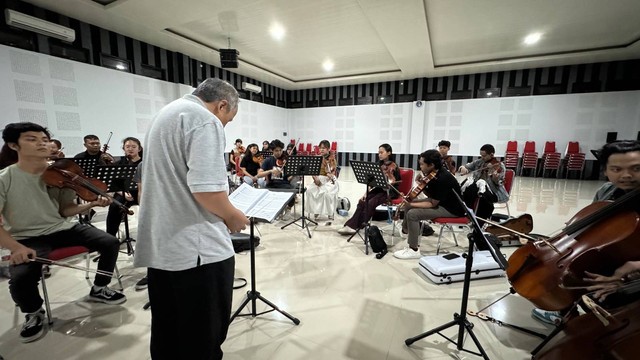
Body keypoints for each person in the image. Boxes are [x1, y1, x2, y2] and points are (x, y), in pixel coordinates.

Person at [134, 78, 249, 360]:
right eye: (227, 119)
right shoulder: (204, 120)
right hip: (197, 250)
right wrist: (233, 216)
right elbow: (207, 190)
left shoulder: (168, 113)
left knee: (168, 332)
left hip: (164, 244)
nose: (223, 126)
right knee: (202, 337)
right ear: (221, 105)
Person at [0, 122, 126, 343]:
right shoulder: (5, 178)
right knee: (20, 277)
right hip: (25, 237)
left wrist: (91, 204)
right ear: (13, 145)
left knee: (110, 242)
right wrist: (15, 247)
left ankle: (99, 287)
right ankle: (34, 311)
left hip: (61, 227)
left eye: (45, 139)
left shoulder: (60, 173)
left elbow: (65, 210)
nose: (42, 143)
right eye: (32, 139)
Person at [532, 140, 640, 325]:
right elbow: (592, 231)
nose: (626, 175)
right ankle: (565, 312)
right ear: (605, 171)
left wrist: (634, 267)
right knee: (564, 275)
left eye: (636, 168)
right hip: (610, 255)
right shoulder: (606, 191)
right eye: (616, 169)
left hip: (633, 272)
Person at [393, 150, 466, 259]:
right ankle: (406, 231)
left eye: (422, 164)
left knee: (413, 214)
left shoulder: (442, 178)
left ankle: (414, 250)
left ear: (431, 165)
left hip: (452, 209)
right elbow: (432, 194)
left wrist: (412, 203)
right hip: (442, 203)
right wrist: (421, 184)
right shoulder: (434, 173)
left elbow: (432, 203)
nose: (420, 166)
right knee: (408, 205)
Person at [338, 144, 401, 235]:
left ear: (389, 153)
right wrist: (365, 193)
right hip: (379, 190)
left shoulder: (394, 166)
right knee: (362, 201)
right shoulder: (379, 165)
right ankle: (352, 225)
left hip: (389, 192)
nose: (379, 154)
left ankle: (358, 226)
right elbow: (372, 181)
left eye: (381, 152)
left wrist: (388, 183)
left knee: (371, 202)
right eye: (378, 152)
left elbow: (395, 184)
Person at [458, 144, 508, 224]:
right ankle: (467, 215)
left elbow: (500, 183)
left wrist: (495, 178)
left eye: (484, 156)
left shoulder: (499, 165)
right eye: (481, 155)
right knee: (466, 189)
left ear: (491, 154)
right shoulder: (479, 162)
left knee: (478, 195)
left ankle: (479, 221)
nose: (482, 158)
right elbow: (466, 166)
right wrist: (463, 168)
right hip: (477, 189)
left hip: (493, 192)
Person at [105, 137, 142, 237]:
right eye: (127, 147)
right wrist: (123, 193)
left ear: (139, 149)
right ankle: (110, 237)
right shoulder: (119, 164)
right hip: (124, 193)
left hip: (143, 192)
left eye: (134, 146)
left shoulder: (145, 163)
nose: (130, 149)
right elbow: (114, 185)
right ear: (124, 148)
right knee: (114, 206)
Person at [257, 139, 296, 217]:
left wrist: (293, 175)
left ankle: (288, 209)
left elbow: (291, 175)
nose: (279, 152)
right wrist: (270, 171)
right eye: (276, 150)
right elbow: (259, 174)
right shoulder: (268, 160)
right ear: (272, 150)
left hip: (284, 184)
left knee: (292, 193)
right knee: (264, 194)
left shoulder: (286, 160)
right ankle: (274, 210)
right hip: (272, 184)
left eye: (281, 150)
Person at [306, 140, 339, 220]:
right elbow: (312, 171)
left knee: (327, 193)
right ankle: (315, 210)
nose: (321, 150)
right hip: (318, 178)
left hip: (328, 180)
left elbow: (332, 171)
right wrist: (315, 178)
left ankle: (330, 213)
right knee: (309, 190)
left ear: (328, 149)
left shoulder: (332, 159)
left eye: (323, 148)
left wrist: (329, 174)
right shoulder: (317, 158)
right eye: (320, 148)